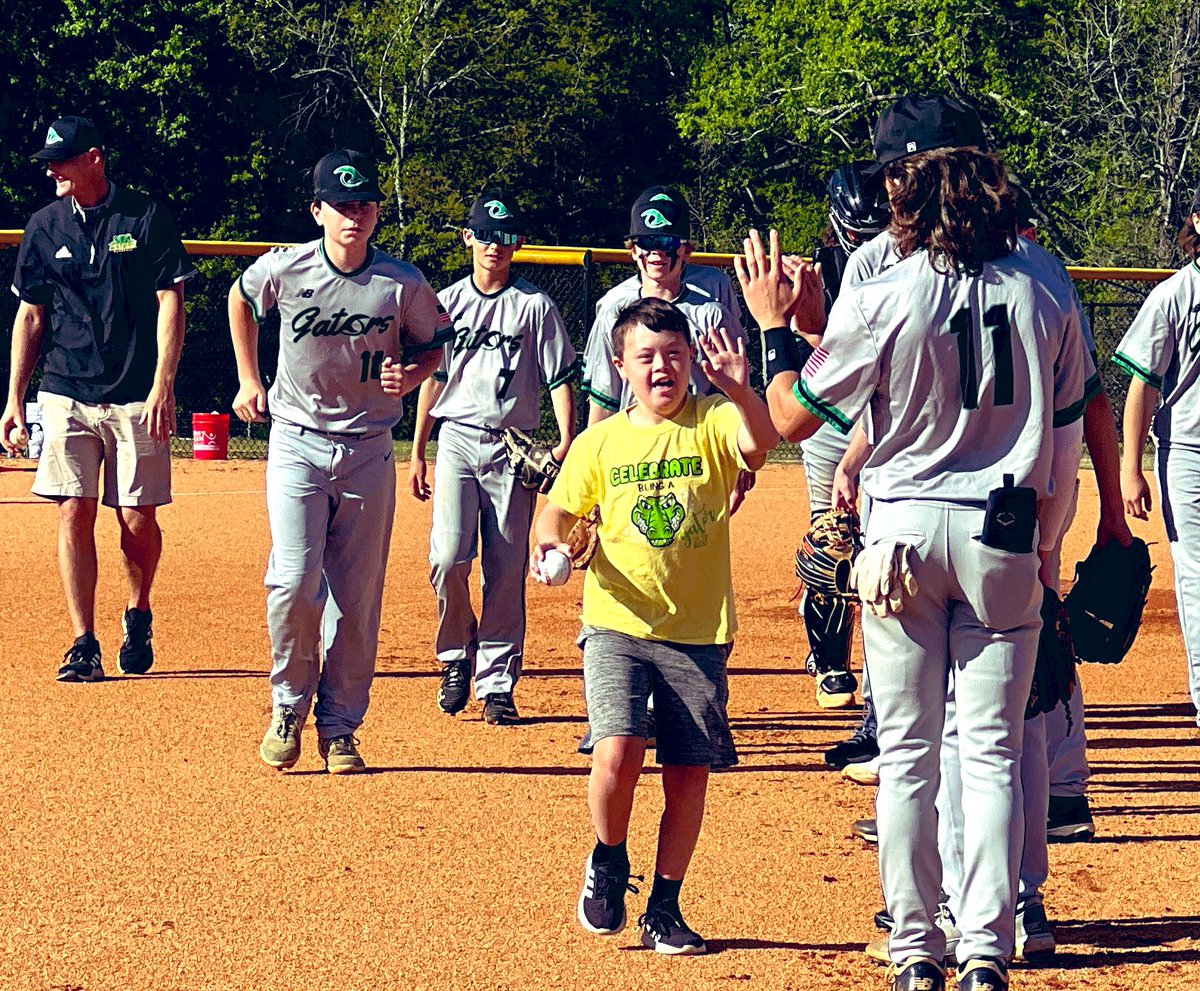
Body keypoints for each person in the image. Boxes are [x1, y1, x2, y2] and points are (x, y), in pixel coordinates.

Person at [741, 94, 1092, 991]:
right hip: (1002, 532)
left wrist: (777, 328)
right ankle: (986, 945)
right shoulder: (1043, 282)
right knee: (993, 748)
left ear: (914, 191)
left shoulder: (886, 289)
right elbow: (1062, 443)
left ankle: (914, 948)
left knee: (907, 756)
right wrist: (1046, 551)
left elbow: (786, 415)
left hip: (899, 535)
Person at [532, 297, 776, 955]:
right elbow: (553, 513)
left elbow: (763, 441)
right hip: (616, 619)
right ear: (620, 366)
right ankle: (609, 854)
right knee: (617, 749)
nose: (661, 366)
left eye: (673, 354)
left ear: (691, 360)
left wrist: (739, 388)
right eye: (645, 356)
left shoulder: (715, 420)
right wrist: (551, 546)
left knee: (687, 771)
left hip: (697, 629)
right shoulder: (602, 441)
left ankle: (664, 904)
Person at [229, 149, 447, 774]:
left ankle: (341, 726)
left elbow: (435, 343)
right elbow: (239, 300)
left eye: (365, 204)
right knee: (294, 582)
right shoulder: (288, 268)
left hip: (369, 449)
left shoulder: (400, 282)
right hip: (296, 441)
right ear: (318, 209)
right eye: (342, 204)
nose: (354, 215)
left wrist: (412, 377)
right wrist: (250, 379)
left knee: (355, 598)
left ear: (377, 211)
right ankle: (288, 706)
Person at [1, 114, 194, 682]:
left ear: (94, 158)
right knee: (73, 509)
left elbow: (171, 303)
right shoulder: (43, 226)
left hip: (136, 393)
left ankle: (138, 612)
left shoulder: (146, 215)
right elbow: (30, 315)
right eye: (48, 163)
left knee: (136, 519)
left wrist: (164, 383)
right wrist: (14, 399)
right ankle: (82, 641)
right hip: (65, 388)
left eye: (61, 161)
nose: (52, 172)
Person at [410, 190, 577, 725]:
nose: (494, 247)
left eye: (504, 238)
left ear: (518, 244)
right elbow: (431, 381)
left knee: (505, 571)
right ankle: (457, 655)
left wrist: (566, 442)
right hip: (457, 438)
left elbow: (558, 377)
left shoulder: (534, 305)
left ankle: (497, 681)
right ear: (468, 238)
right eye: (485, 235)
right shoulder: (446, 302)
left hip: (513, 444)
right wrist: (417, 451)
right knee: (448, 558)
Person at [798, 161, 891, 718]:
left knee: (884, 545)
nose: (866, 242)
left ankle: (889, 685)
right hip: (833, 423)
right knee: (830, 542)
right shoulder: (819, 271)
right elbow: (818, 367)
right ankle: (831, 661)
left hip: (888, 424)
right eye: (856, 232)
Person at [1116, 181, 1200, 730]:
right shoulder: (1174, 295)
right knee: (1196, 577)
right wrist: (1131, 468)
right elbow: (1141, 386)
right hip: (1190, 455)